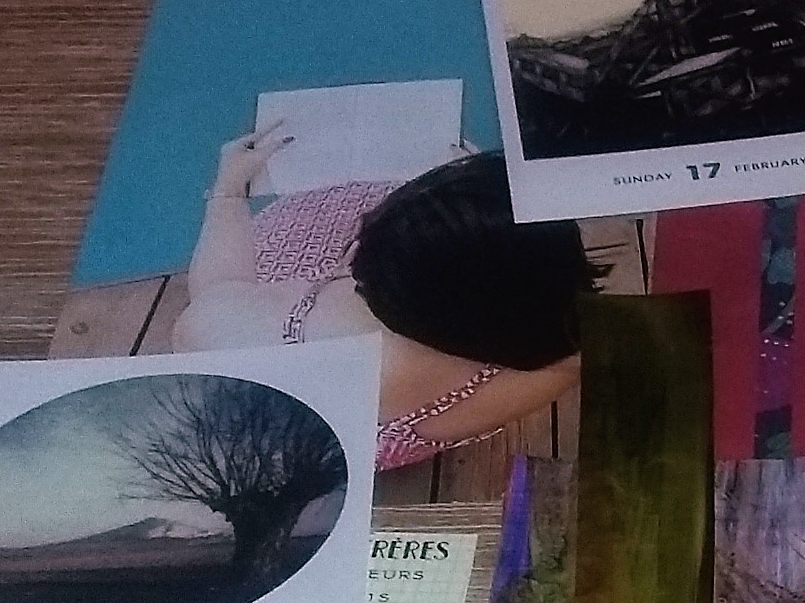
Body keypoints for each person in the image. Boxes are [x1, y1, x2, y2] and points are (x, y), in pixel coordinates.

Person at [175, 131, 594, 470]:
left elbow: (217, 285)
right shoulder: (493, 383)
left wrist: (228, 192)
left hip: (313, 438)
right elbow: (572, 358)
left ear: (358, 261)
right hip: (414, 423)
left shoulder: (224, 326)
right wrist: (483, 220)